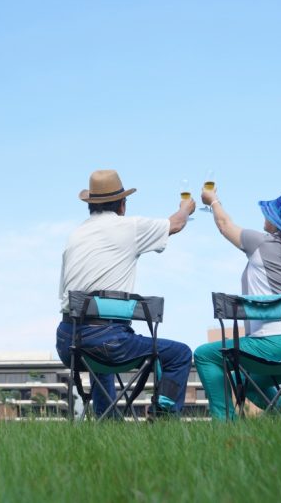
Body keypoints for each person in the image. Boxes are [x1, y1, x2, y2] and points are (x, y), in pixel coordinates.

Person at [55, 169, 195, 418]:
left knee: (101, 356)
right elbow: (176, 223)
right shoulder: (128, 227)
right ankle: (163, 417)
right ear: (122, 204)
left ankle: (107, 419)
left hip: (69, 342)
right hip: (108, 342)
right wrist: (186, 207)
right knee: (179, 353)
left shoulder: (75, 235)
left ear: (90, 205)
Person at [193, 187, 281, 420]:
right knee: (249, 383)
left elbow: (225, 225)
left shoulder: (262, 243)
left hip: (275, 345)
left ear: (279, 220)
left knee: (205, 355)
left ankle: (224, 427)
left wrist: (213, 200)